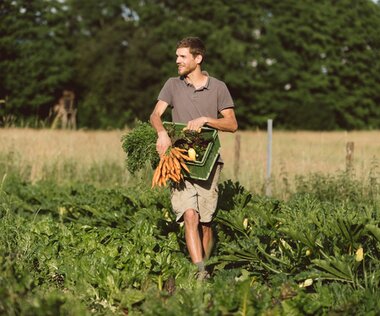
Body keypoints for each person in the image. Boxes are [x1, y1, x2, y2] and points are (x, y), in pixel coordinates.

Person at [150, 37, 238, 280]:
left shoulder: (218, 87)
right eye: (177, 56)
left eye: (182, 57)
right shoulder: (172, 85)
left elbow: (232, 124)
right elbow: (155, 115)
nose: (177, 61)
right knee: (190, 214)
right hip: (179, 161)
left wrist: (206, 120)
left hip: (209, 162)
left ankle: (206, 267)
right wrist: (161, 134)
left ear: (197, 59)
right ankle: (200, 272)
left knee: (206, 222)